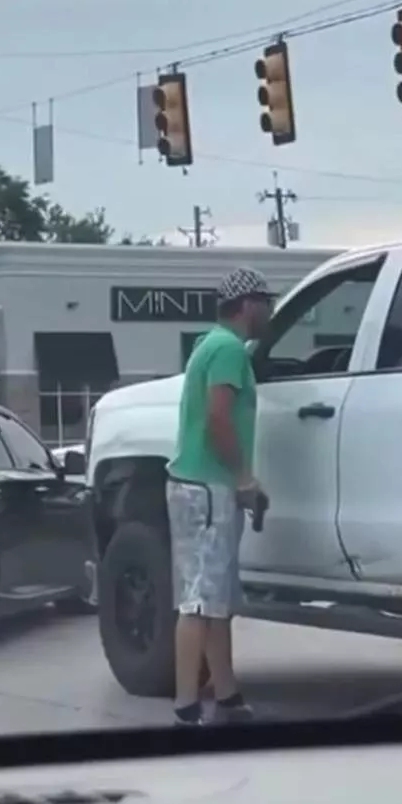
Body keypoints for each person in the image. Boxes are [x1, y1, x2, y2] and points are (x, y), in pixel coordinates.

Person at [166, 267, 273, 726]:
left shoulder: (208, 344)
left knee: (216, 601)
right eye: (266, 300)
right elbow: (219, 420)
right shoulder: (230, 350)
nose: (270, 309)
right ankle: (186, 706)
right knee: (198, 601)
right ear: (247, 304)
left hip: (196, 487)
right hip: (208, 489)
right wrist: (244, 479)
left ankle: (226, 694)